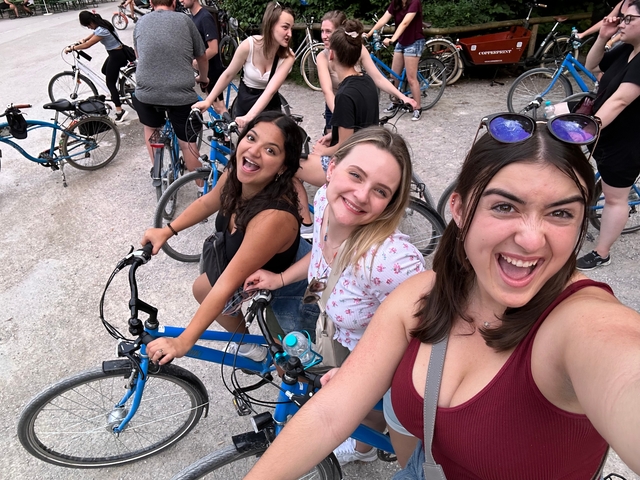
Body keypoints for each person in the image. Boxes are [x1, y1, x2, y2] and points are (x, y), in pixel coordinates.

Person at [243, 114, 640, 479]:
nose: (532, 239)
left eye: (561, 213)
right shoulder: (424, 295)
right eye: (504, 206)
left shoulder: (583, 324)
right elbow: (330, 414)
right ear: (460, 209)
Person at [244, 126, 425, 466]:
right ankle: (365, 448)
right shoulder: (325, 199)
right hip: (341, 335)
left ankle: (376, 449)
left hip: (385, 359)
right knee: (357, 406)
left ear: (390, 204)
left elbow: (427, 335)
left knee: (399, 443)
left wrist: (363, 373)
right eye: (355, 175)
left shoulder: (388, 260)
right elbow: (322, 259)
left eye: (380, 191)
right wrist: (280, 278)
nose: (360, 195)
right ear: (332, 167)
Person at [143, 111, 318, 364]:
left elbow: (227, 283)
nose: (254, 151)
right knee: (203, 288)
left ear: (283, 168)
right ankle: (249, 346)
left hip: (292, 288)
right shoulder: (238, 175)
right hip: (260, 272)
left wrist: (184, 340)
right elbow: (206, 202)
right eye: (251, 138)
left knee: (291, 366)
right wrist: (167, 231)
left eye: (270, 151)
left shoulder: (273, 219)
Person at [294, 20, 380, 227]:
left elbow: (346, 145)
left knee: (288, 165)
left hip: (351, 162)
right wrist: (334, 134)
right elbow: (360, 123)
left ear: (331, 55)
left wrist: (322, 151)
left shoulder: (343, 94)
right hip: (369, 153)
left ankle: (306, 222)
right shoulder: (367, 82)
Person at [577, 0, 640, 270]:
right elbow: (592, 65)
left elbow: (621, 101)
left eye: (628, 19)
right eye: (622, 18)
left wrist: (590, 128)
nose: (621, 23)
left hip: (628, 141)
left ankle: (602, 253)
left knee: (616, 198)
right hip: (607, 132)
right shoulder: (626, 48)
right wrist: (602, 37)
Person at [133, 0, 209, 174]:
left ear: (151, 3)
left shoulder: (141, 22)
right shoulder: (185, 20)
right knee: (186, 143)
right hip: (180, 93)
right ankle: (199, 187)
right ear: (174, 3)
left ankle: (157, 171)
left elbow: (139, 55)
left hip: (146, 93)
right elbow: (202, 56)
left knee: (151, 128)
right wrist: (203, 77)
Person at [192, 2, 295, 131]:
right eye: (285, 27)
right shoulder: (249, 46)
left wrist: (249, 117)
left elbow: (270, 91)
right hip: (245, 102)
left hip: (269, 108)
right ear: (271, 25)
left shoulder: (288, 56)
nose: (290, 33)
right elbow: (228, 74)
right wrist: (208, 101)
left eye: (291, 28)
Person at [316, 10, 417, 134]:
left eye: (328, 31)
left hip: (356, 105)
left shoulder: (357, 49)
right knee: (335, 144)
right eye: (322, 31)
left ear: (339, 33)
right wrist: (341, 116)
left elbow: (378, 78)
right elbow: (327, 92)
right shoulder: (322, 57)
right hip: (336, 106)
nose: (323, 36)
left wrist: (402, 97)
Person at [64, 11, 129, 123]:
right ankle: (124, 87)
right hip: (117, 53)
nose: (89, 28)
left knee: (110, 83)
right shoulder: (103, 24)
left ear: (90, 22)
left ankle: (120, 111)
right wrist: (84, 38)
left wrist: (72, 48)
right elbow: (94, 33)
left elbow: (88, 45)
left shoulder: (102, 30)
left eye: (88, 25)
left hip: (116, 56)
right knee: (105, 70)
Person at [366, 0, 425, 121]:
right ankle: (396, 101)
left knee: (411, 78)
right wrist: (369, 34)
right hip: (402, 41)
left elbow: (405, 23)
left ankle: (417, 108)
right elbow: (383, 19)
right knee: (394, 76)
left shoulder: (415, 2)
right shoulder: (396, 3)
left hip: (414, 42)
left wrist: (392, 39)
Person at [183, 0, 225, 112]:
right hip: (204, 71)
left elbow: (213, 49)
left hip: (212, 71)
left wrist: (197, 62)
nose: (180, 0)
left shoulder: (204, 17)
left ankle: (230, 128)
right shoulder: (192, 18)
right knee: (211, 106)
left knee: (219, 107)